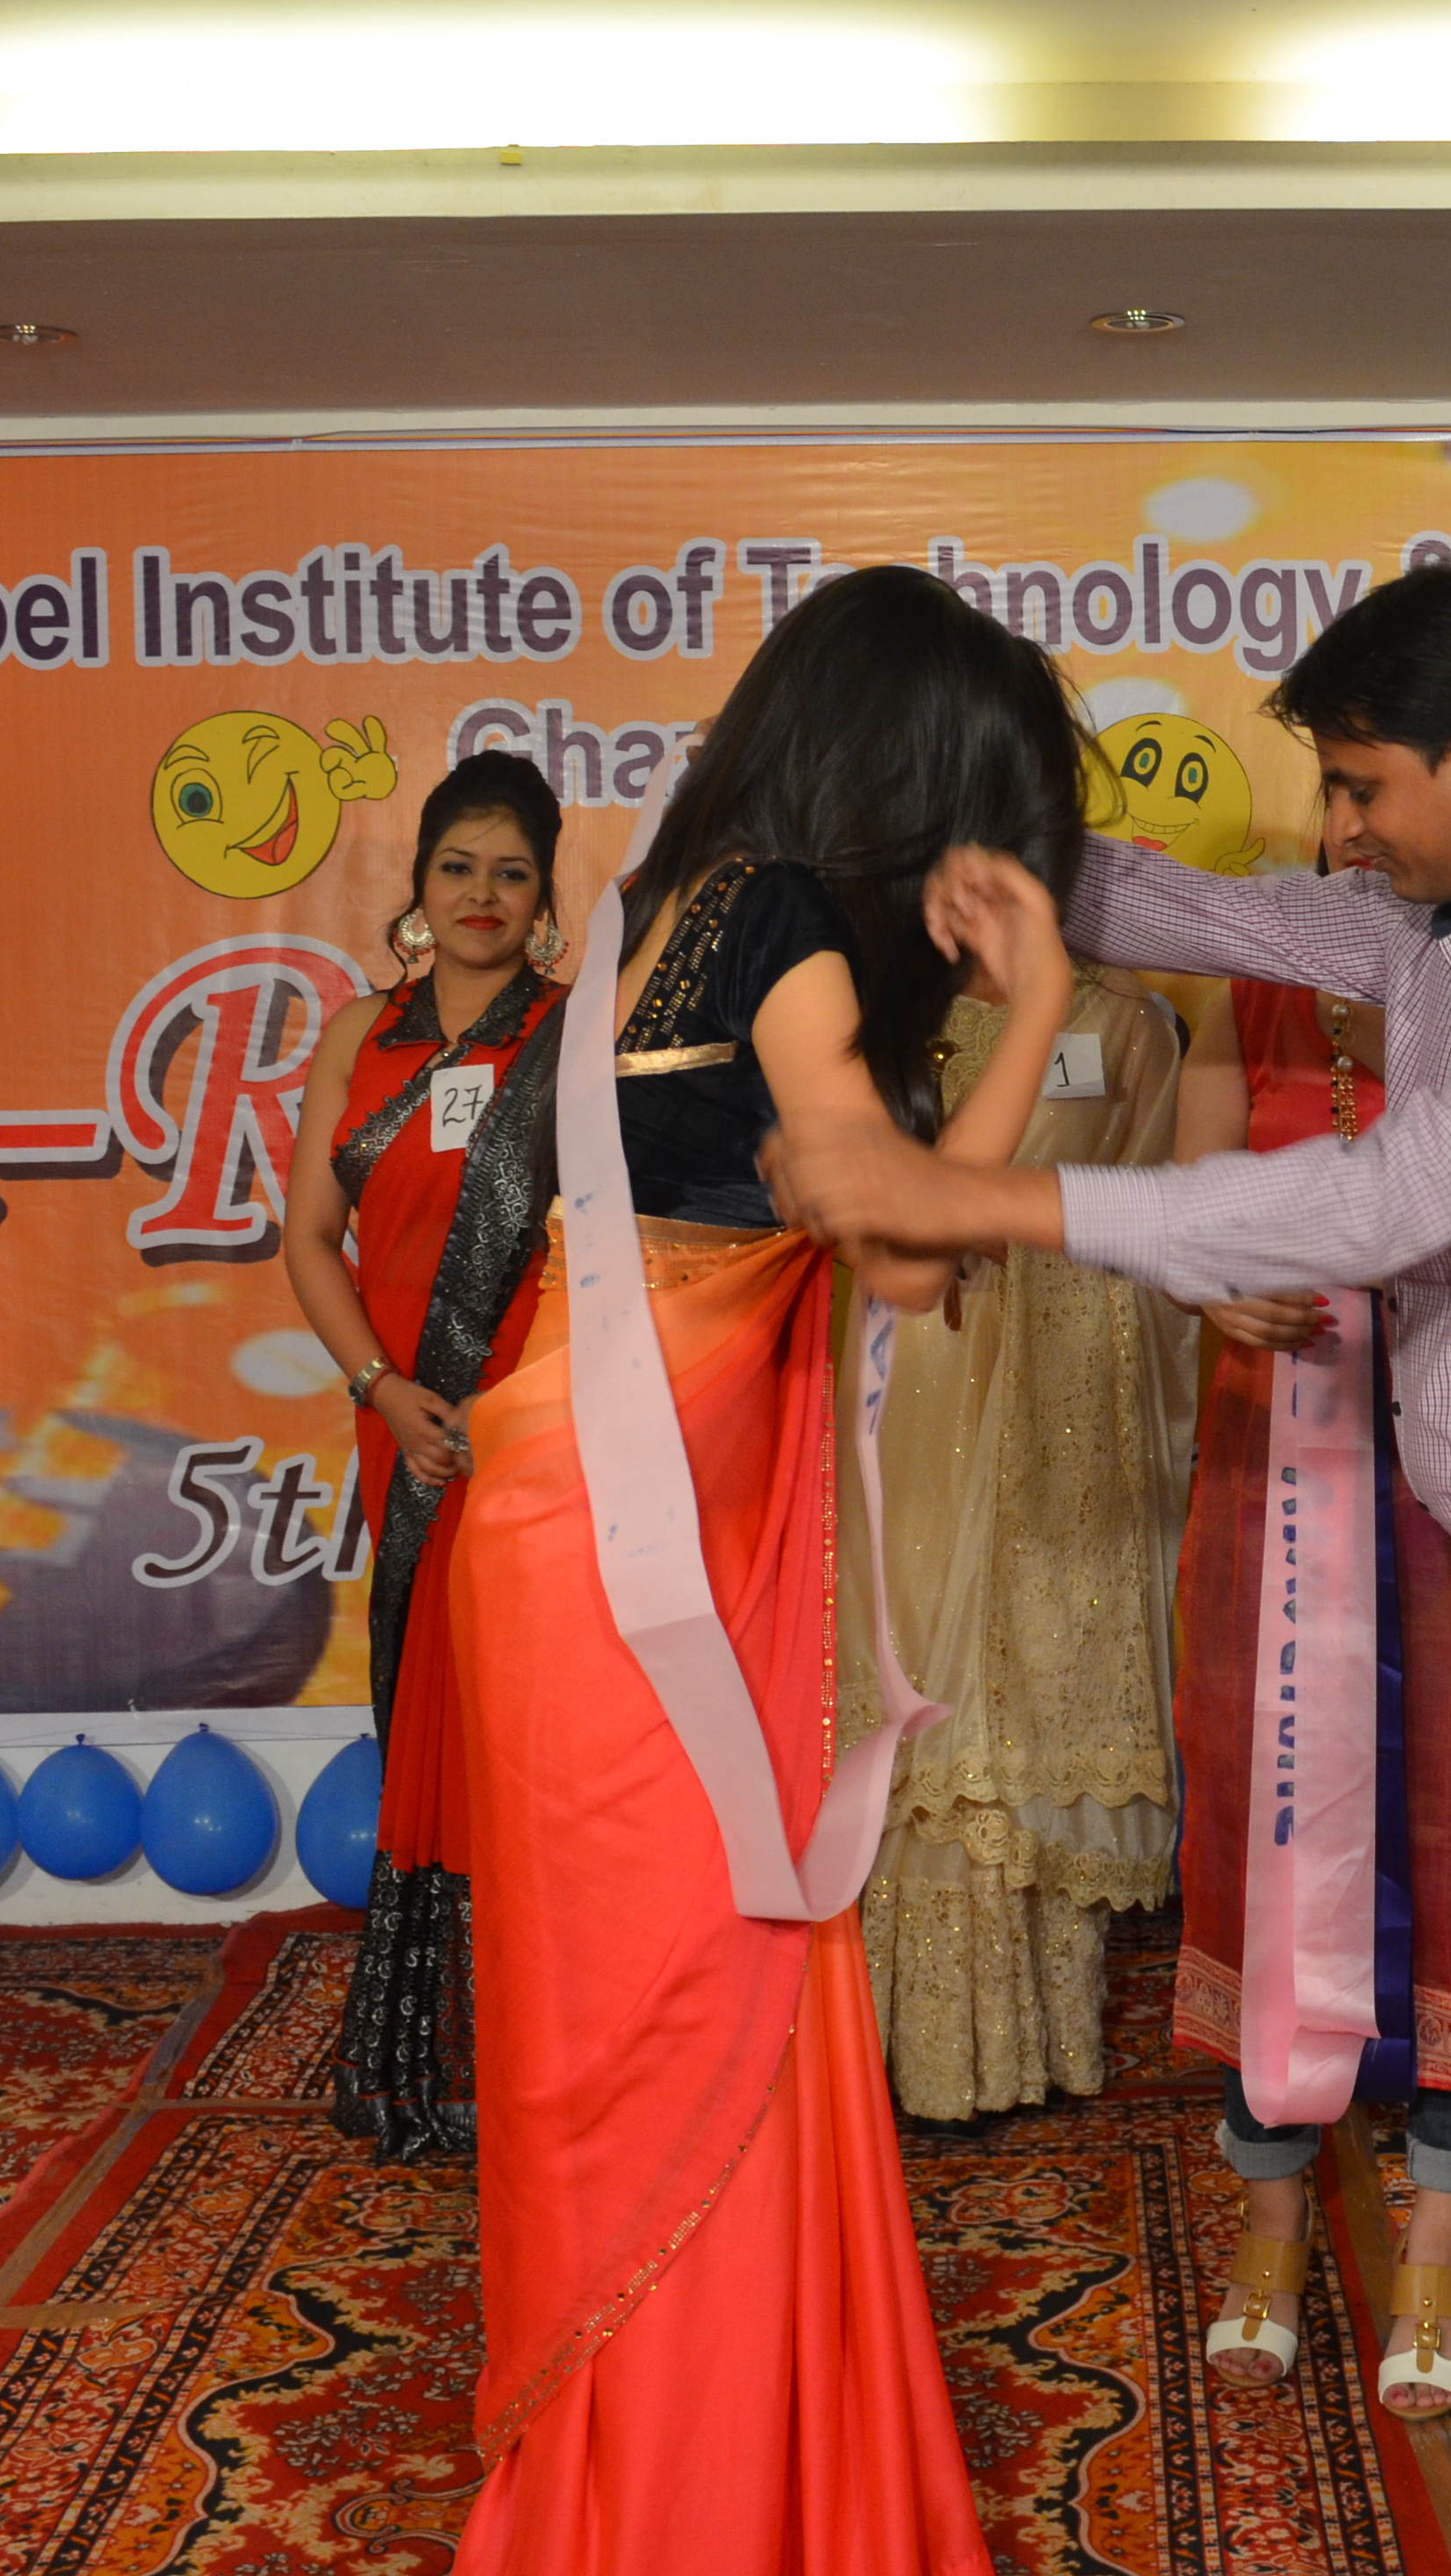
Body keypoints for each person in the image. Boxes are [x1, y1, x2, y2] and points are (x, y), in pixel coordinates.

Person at [766, 561, 1451, 2576]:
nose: (1334, 830)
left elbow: (1375, 1198)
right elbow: (1171, 902)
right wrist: (962, 811)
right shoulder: (1446, 931)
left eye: (1359, 785)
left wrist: (972, 1194)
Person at [444, 565, 1080, 2576]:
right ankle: (705, 2501)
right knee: (701, 1990)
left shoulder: (661, 905)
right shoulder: (790, 925)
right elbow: (910, 1249)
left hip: (559, 1524)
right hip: (638, 1563)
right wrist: (1036, 1005)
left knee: (616, 2019)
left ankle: (640, 2472)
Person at [1175, 974, 1451, 2425]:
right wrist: (1214, 1280)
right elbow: (1183, 1218)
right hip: (1273, 1465)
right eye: (1347, 848)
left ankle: (1439, 2224)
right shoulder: (1241, 1001)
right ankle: (1272, 2213)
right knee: (1255, 1823)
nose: (1370, 858)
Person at [282, 747, 572, 2160]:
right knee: (423, 1701)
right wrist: (382, 1388)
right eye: (458, 867)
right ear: (418, 885)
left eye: (512, 873)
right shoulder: (362, 1034)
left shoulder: (573, 1037)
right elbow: (305, 1238)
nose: (482, 894)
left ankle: (532, 2045)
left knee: (519, 1716)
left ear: (546, 897)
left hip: (532, 1425)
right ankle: (426, 2057)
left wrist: (532, 1405)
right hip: (399, 1417)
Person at [854, 956, 1187, 2122]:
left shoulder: (1128, 1023)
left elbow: (1165, 1223)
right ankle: (884, 2040)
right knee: (912, 1680)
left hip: (1064, 1395)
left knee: (1038, 1682)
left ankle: (1021, 2044)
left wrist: (1037, 1252)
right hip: (914, 1372)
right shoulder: (889, 1006)